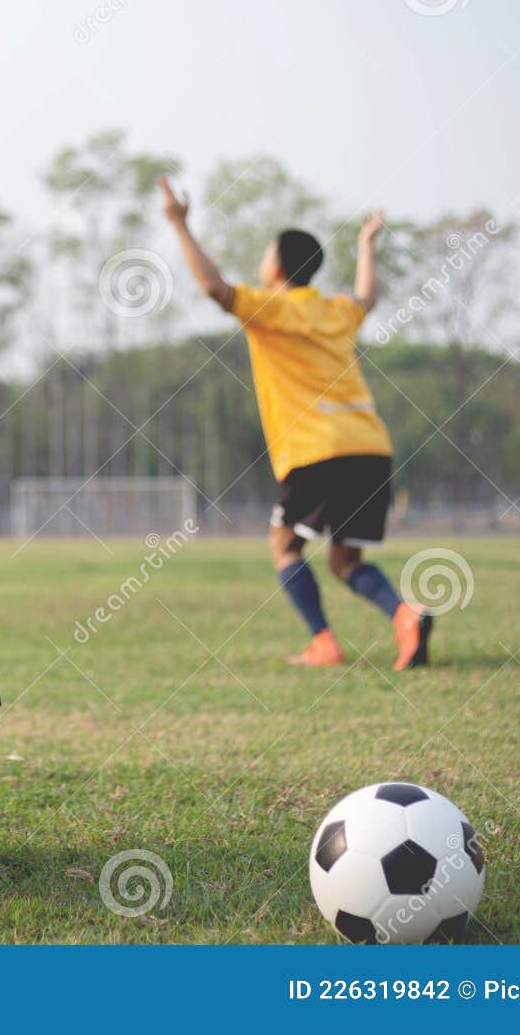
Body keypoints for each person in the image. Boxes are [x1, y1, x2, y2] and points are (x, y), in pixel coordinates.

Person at [159, 177, 432, 670]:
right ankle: (406, 615)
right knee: (345, 561)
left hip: (317, 449)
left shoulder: (271, 308)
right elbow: (367, 295)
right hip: (370, 446)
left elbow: (214, 289)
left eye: (266, 253)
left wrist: (179, 224)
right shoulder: (334, 310)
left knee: (285, 545)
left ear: (277, 266)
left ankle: (324, 642)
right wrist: (366, 245)